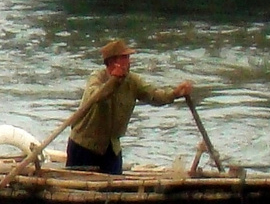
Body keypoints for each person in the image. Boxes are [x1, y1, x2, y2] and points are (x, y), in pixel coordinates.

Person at [66, 40, 193, 175]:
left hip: (111, 147)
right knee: (78, 183)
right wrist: (113, 82)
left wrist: (175, 93)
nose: (129, 61)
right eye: (125, 58)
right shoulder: (97, 77)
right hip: (85, 146)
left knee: (115, 188)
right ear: (113, 62)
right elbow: (96, 96)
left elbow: (154, 95)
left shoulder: (132, 81)